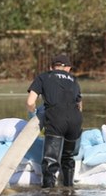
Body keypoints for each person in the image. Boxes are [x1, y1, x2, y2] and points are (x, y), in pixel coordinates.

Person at [26, 54, 83, 188]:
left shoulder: (44, 76)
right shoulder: (74, 80)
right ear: (68, 68)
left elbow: (30, 101)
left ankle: (49, 195)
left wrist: (32, 113)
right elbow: (80, 105)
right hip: (76, 120)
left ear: (51, 67)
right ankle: (69, 190)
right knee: (68, 158)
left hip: (56, 119)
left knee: (51, 160)